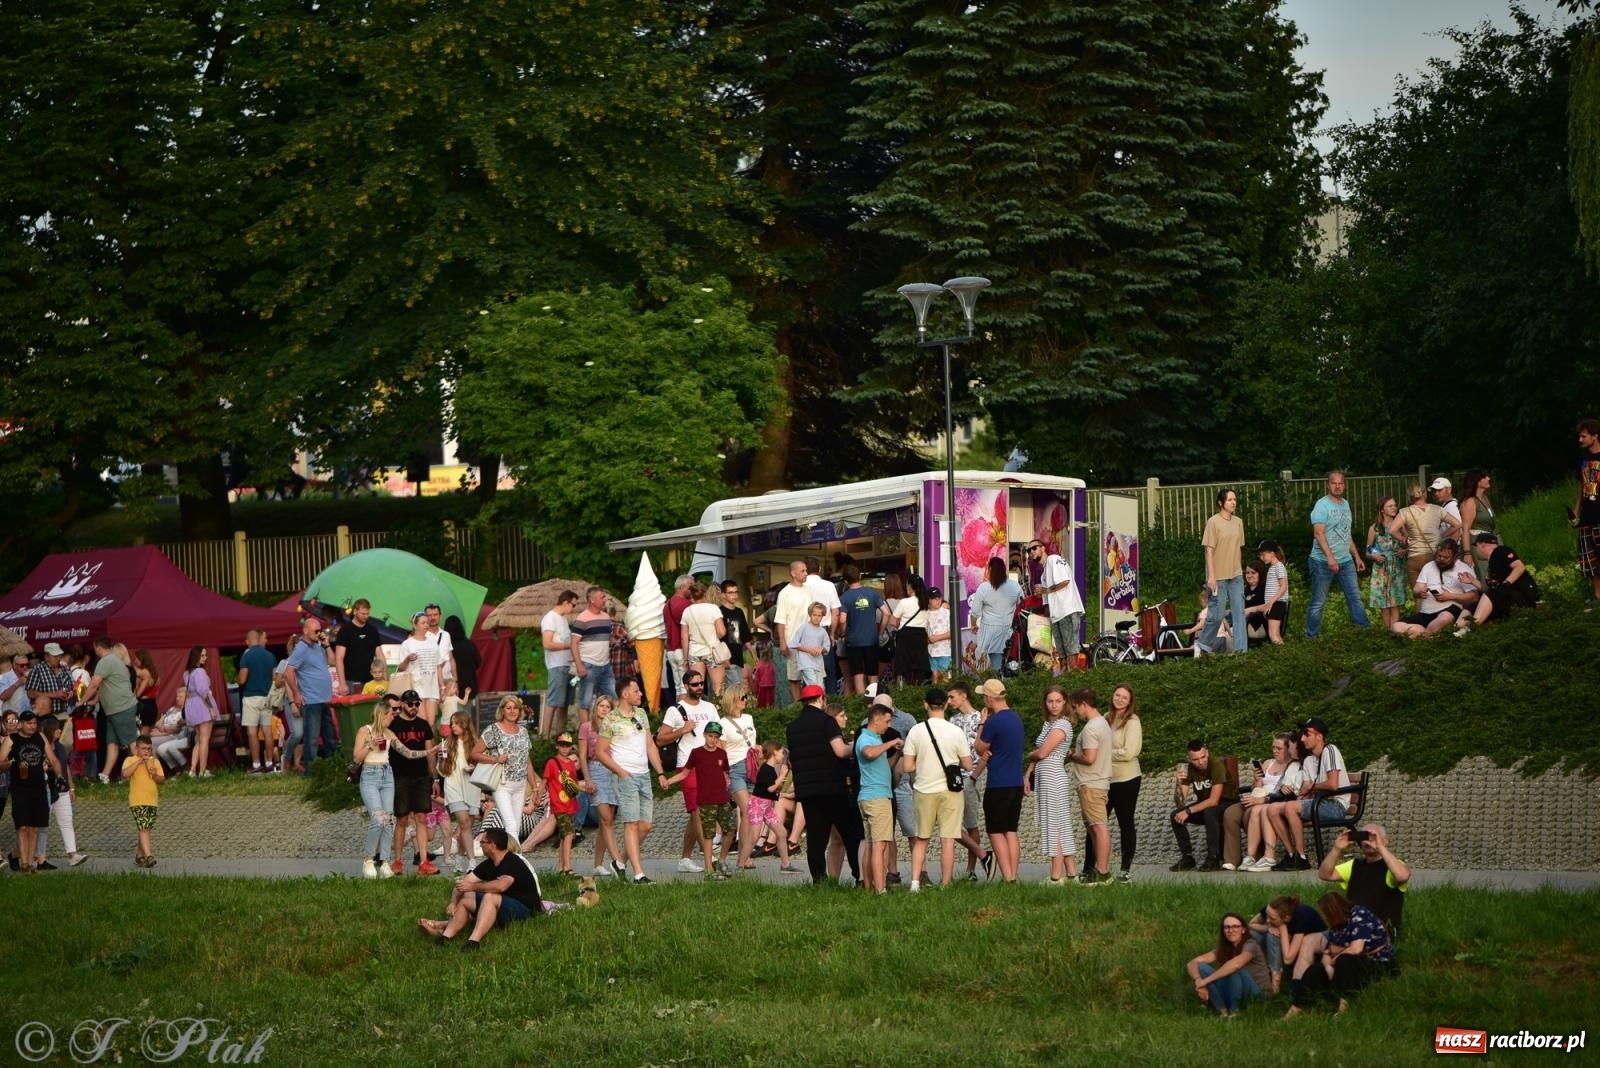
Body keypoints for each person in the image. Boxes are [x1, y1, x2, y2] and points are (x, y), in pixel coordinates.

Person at [417, 827, 543, 951]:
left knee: (490, 896)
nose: (480, 845)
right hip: (504, 906)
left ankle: (473, 941)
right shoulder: (489, 864)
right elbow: (463, 884)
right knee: (467, 896)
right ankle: (446, 937)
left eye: (482, 842)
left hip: (526, 911)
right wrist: (453, 902)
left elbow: (501, 886)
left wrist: (473, 887)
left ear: (492, 845)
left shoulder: (512, 861)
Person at [785, 683, 861, 886]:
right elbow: (840, 751)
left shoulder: (793, 728)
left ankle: (819, 881)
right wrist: (855, 746)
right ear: (821, 698)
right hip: (833, 788)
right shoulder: (827, 722)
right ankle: (860, 876)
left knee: (816, 839)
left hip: (807, 790)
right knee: (850, 834)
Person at [900, 687, 973, 891]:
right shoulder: (955, 731)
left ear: (925, 705)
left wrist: (922, 765)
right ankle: (946, 883)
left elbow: (907, 767)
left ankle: (915, 882)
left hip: (924, 790)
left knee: (921, 839)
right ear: (946, 704)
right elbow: (968, 765)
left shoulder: (916, 730)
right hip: (950, 791)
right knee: (947, 839)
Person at [595, 677, 667, 884]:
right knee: (631, 824)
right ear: (625, 694)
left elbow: (651, 746)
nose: (641, 694)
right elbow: (600, 752)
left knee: (646, 825)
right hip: (625, 778)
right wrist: (620, 771)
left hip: (644, 775)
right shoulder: (611, 719)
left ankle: (620, 862)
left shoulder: (641, 714)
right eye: (636, 691)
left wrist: (660, 772)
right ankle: (638, 874)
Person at [1285, 891, 1395, 1017]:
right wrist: (1327, 966)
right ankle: (1297, 1008)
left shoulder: (1359, 915)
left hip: (1377, 963)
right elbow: (1329, 950)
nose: (1324, 918)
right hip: (1344, 966)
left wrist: (1334, 959)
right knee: (1314, 970)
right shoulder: (1335, 926)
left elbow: (1356, 949)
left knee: (1345, 960)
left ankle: (1343, 1008)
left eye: (1325, 914)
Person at [658, 668, 718, 873]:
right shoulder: (675, 710)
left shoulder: (710, 707)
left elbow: (719, 735)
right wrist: (682, 729)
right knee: (697, 811)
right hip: (687, 764)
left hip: (709, 764)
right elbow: (660, 738)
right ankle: (710, 859)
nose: (699, 687)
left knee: (697, 813)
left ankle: (685, 859)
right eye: (695, 684)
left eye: (702, 683)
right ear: (685, 686)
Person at [1273, 717, 1351, 872]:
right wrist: (1303, 794)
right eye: (1303, 734)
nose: (1302, 738)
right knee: (1273, 809)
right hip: (1319, 802)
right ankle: (1291, 854)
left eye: (1307, 734)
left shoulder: (1330, 751)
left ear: (1319, 736)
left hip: (1336, 805)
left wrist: (1311, 788)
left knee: (1289, 807)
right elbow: (1308, 788)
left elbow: (1333, 784)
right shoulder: (1309, 760)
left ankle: (1301, 858)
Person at [1317, 822, 1410, 939]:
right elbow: (1324, 874)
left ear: (1385, 841)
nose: (1368, 841)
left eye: (1373, 837)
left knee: (1334, 949)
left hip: (1380, 931)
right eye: (1364, 837)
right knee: (1310, 941)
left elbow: (1402, 876)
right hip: (1352, 927)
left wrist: (1380, 847)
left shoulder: (1394, 866)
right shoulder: (1355, 865)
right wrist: (1337, 849)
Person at [1306, 470, 1369, 637]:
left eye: (1340, 483)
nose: (1337, 486)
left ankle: (1365, 633)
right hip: (1322, 561)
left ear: (1345, 485)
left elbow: (1345, 533)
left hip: (1346, 561)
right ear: (1328, 484)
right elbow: (1318, 533)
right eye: (1334, 483)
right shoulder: (1322, 505)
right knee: (1318, 602)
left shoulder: (1345, 504)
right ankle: (1311, 638)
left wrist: (1356, 556)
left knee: (1354, 597)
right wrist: (1330, 558)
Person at [1023, 685, 1076, 885]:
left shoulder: (1062, 725)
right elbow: (1039, 753)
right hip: (1044, 775)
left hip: (1053, 775)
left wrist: (1030, 755)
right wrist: (1028, 773)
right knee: (1058, 823)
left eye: (1057, 701)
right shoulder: (1049, 724)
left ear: (1064, 703)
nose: (1053, 705)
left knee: (1055, 825)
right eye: (1050, 701)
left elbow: (1042, 752)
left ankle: (1056, 875)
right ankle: (1071, 873)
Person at [974, 678, 1024, 882]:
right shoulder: (1016, 719)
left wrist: (981, 724)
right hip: (1016, 783)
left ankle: (1007, 876)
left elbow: (979, 748)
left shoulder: (994, 721)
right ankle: (1013, 874)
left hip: (998, 783)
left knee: (995, 831)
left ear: (989, 698)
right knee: (1011, 830)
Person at [473, 696, 536, 857]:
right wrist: (495, 759)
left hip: (520, 784)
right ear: (502, 710)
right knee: (511, 824)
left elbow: (527, 761)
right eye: (508, 708)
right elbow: (475, 753)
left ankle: (508, 860)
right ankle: (520, 860)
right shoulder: (493, 729)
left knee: (515, 823)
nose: (513, 711)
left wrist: (534, 787)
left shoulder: (523, 731)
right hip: (502, 784)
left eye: (515, 708)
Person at [1, 711, 60, 873]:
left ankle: (29, 864)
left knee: (34, 827)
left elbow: (53, 759)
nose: (32, 726)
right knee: (22, 827)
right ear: (20, 724)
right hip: (20, 788)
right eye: (29, 723)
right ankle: (24, 864)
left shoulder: (40, 737)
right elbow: (1, 763)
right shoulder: (12, 739)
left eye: (34, 723)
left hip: (39, 787)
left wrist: (60, 777)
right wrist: (13, 762)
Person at [388, 690, 439, 876]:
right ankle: (398, 861)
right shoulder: (393, 724)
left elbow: (431, 753)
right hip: (400, 776)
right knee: (401, 819)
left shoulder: (424, 724)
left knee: (421, 818)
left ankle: (424, 861)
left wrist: (434, 778)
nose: (414, 707)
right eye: (411, 704)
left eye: (417, 704)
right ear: (402, 704)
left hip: (421, 776)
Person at [1169, 739, 1238, 872]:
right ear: (1188, 758)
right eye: (1195, 759)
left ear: (1207, 753)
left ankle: (1213, 857)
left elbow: (1214, 801)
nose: (1201, 762)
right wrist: (1178, 783)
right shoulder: (1188, 769)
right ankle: (1187, 857)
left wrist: (1188, 811)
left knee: (1209, 812)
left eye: (1203, 757)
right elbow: (1180, 803)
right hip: (1207, 804)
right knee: (1175, 816)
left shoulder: (1216, 765)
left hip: (1227, 802)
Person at [946, 683, 992, 881]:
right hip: (954, 777)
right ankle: (984, 854)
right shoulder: (952, 720)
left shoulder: (979, 719)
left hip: (971, 776)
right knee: (950, 824)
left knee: (971, 823)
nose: (949, 701)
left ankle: (971, 870)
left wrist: (975, 776)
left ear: (963, 696)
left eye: (952, 697)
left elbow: (986, 751)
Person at [1185, 913, 1273, 1018]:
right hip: (1236, 991)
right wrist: (1199, 981)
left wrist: (1205, 981)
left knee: (1234, 968)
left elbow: (1236, 964)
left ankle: (1235, 1011)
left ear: (1243, 929)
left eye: (1235, 926)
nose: (1231, 930)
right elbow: (1192, 963)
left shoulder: (1251, 945)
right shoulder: (1225, 949)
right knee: (1202, 967)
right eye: (1227, 927)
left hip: (1258, 995)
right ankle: (1222, 1011)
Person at [1066, 687, 1113, 884]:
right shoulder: (1102, 723)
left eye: (1076, 707)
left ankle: (1102, 872)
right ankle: (1098, 869)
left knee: (1099, 826)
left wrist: (1071, 755)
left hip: (1092, 782)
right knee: (1094, 827)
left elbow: (1089, 757)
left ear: (1085, 705)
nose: (1075, 711)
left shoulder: (1092, 728)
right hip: (1096, 782)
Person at [1391, 539, 1480, 639]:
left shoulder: (1463, 569)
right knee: (1396, 626)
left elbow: (1474, 597)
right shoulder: (1429, 566)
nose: (1441, 559)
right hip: (1426, 612)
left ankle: (1421, 634)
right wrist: (1419, 592)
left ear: (1455, 557)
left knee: (1443, 619)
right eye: (1439, 556)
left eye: (1445, 557)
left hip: (1449, 610)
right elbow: (1416, 589)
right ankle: (1426, 634)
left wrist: (1451, 596)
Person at [354, 695, 402, 879]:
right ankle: (368, 860)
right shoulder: (365, 730)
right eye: (391, 714)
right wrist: (371, 744)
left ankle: (385, 863)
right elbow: (357, 758)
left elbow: (407, 751)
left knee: (389, 819)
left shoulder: (389, 734)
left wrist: (430, 751)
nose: (393, 717)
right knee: (378, 819)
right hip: (370, 774)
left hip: (387, 774)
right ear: (383, 715)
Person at [1236, 733, 1299, 872]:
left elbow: (1289, 791)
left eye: (1279, 748)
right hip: (1261, 798)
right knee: (1256, 809)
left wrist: (1262, 799)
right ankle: (1251, 856)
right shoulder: (1267, 763)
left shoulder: (1293, 766)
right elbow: (1256, 788)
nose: (1275, 751)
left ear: (1289, 749)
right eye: (1273, 747)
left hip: (1275, 801)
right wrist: (1257, 780)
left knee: (1261, 809)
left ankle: (1269, 856)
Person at [854, 702, 900, 894]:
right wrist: (891, 743)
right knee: (880, 845)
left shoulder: (874, 739)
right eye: (887, 721)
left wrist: (897, 753)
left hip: (871, 797)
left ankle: (869, 888)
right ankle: (880, 889)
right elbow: (869, 753)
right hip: (877, 798)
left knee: (872, 844)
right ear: (876, 719)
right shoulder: (866, 739)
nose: (888, 726)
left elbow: (884, 763)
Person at [579, 696, 625, 879]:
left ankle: (598, 864)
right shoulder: (586, 727)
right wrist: (587, 779)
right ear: (595, 708)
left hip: (613, 771)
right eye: (601, 706)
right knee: (606, 818)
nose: (604, 709)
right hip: (596, 770)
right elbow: (582, 756)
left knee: (607, 821)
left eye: (608, 706)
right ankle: (617, 861)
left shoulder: (614, 727)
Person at [81, 636, 138, 783]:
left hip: (121, 708)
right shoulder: (114, 660)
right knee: (112, 743)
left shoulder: (105, 662)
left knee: (131, 743)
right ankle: (105, 775)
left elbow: (94, 684)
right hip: (115, 710)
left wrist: (82, 701)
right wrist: (94, 700)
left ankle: (142, 773)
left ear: (98, 647)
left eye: (94, 648)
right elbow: (106, 687)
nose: (94, 651)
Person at [1198, 488, 1248, 654]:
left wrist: (1239, 569)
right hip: (1217, 576)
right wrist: (1211, 576)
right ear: (1221, 503)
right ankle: (1203, 646)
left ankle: (1241, 651)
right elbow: (1209, 550)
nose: (1233, 502)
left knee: (1239, 613)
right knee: (1217, 615)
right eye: (1229, 500)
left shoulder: (1238, 522)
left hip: (1235, 575)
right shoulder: (1213, 522)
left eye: (1235, 499)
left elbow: (1239, 548)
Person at [284, 617, 335, 775]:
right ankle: (310, 773)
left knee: (330, 737)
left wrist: (326, 645)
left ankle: (333, 768)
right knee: (312, 739)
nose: (319, 633)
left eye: (320, 630)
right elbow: (288, 671)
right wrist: (297, 694)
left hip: (324, 698)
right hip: (311, 700)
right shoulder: (301, 648)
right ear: (305, 630)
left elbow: (332, 661)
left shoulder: (318, 646)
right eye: (316, 630)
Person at [1102, 684, 1142, 883]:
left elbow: (1129, 752)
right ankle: (1094, 867)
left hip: (1127, 779)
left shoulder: (1132, 722)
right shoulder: (1105, 718)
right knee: (1098, 823)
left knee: (1125, 823)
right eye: (1117, 695)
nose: (1119, 699)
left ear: (1130, 701)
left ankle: (1125, 869)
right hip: (1105, 779)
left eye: (1124, 697)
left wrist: (1104, 755)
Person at [716, 689, 758, 872]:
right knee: (748, 810)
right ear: (733, 700)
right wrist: (724, 775)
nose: (745, 700)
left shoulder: (748, 718)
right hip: (734, 768)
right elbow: (721, 751)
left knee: (745, 815)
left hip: (752, 766)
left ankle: (744, 854)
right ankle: (743, 856)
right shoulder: (722, 723)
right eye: (742, 697)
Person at [1248, 894, 1327, 990]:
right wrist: (1269, 927)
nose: (1268, 920)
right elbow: (1251, 924)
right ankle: (1263, 969)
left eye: (1272, 918)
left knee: (1272, 936)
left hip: (1313, 949)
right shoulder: (1272, 910)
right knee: (1253, 934)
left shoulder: (1301, 917)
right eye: (1267, 915)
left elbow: (1288, 959)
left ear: (1286, 918)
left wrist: (1282, 928)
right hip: (1289, 942)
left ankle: (1275, 980)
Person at [1029, 539, 1085, 674]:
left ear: (1043, 548)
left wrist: (1046, 590)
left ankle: (1074, 679)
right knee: (1061, 652)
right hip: (1056, 615)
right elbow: (1046, 602)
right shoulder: (1043, 574)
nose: (1031, 552)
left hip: (1067, 610)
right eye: (1028, 550)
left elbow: (1065, 581)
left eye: (1034, 548)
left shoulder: (1053, 559)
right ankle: (1065, 679)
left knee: (1070, 649)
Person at [36, 717, 86, 868]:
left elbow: (66, 767)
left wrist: (71, 787)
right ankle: (38, 856)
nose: (59, 730)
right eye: (56, 728)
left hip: (62, 790)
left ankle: (72, 854)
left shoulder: (60, 746)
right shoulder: (42, 748)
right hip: (47, 789)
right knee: (42, 825)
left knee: (66, 822)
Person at [1463, 533, 1539, 628]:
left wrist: (1505, 584)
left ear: (1482, 545)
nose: (1476, 550)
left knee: (1496, 591)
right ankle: (1456, 630)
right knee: (1473, 605)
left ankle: (1472, 627)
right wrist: (1473, 581)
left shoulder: (1501, 550)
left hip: (1524, 598)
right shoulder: (1493, 562)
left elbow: (1519, 567)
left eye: (1476, 546)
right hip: (1508, 599)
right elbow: (1489, 591)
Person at [439, 709, 480, 877]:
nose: (453, 727)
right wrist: (442, 759)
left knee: (467, 826)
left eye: (456, 723)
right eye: (452, 724)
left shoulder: (476, 744)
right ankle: (472, 861)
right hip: (453, 785)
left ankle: (459, 857)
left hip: (471, 786)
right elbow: (442, 771)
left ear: (465, 724)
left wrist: (474, 768)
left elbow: (483, 766)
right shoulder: (447, 744)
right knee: (463, 822)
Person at [838, 565, 889, 696]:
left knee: (858, 674)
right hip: (871, 639)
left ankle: (861, 706)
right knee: (873, 673)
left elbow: (842, 620)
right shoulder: (872, 593)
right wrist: (881, 631)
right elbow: (886, 613)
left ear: (845, 581)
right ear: (860, 576)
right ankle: (874, 702)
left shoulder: (844, 597)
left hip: (853, 641)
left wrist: (843, 633)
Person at [747, 742, 796, 873]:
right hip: (758, 805)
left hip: (767, 806)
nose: (783, 755)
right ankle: (741, 863)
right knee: (754, 836)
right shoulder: (766, 769)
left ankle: (785, 865)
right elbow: (770, 788)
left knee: (782, 833)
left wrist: (780, 783)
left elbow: (773, 788)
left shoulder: (771, 768)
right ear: (774, 753)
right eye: (781, 752)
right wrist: (781, 777)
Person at [968, 557, 1023, 673]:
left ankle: (999, 684)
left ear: (990, 569)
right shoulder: (1015, 586)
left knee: (996, 664)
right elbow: (1022, 606)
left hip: (990, 631)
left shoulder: (984, 588)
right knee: (1009, 659)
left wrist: (973, 625)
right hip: (1010, 630)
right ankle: (1010, 680)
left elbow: (975, 612)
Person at [544, 733, 587, 877]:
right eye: (562, 745)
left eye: (567, 745)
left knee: (565, 835)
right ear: (557, 746)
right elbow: (545, 780)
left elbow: (573, 783)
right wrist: (537, 795)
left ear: (571, 747)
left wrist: (584, 787)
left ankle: (562, 868)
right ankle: (567, 868)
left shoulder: (570, 764)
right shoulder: (552, 762)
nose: (564, 748)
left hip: (571, 804)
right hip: (558, 804)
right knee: (568, 834)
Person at [235, 630, 277, 773]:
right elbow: (275, 679)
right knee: (267, 731)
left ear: (248, 641)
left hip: (251, 697)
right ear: (259, 639)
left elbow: (242, 680)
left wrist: (238, 678)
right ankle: (270, 763)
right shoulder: (270, 656)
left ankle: (256, 764)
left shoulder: (247, 656)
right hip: (267, 697)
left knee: (252, 732)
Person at [570, 588, 617, 718]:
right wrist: (579, 666)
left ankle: (614, 729)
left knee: (614, 698)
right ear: (592, 600)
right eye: (602, 597)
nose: (605, 600)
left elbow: (606, 638)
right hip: (589, 665)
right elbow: (574, 643)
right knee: (585, 702)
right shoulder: (582, 619)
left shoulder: (606, 617)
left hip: (606, 666)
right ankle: (585, 735)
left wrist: (612, 642)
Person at [1364, 496, 1409, 630]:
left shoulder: (1401, 525)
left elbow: (1410, 544)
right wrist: (1374, 556)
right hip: (1381, 568)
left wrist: (1405, 551)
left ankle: (1395, 632)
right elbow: (1368, 550)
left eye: (1395, 505)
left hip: (1396, 567)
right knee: (1384, 603)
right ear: (1382, 510)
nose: (1394, 508)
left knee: (1395, 602)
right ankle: (1387, 632)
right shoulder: (1375, 528)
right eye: (1390, 506)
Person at [772, 562, 813, 706]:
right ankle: (798, 706)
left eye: (806, 570)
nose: (806, 573)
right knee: (794, 678)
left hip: (810, 641)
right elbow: (781, 620)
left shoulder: (809, 590)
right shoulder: (785, 593)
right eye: (803, 571)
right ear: (793, 573)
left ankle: (811, 705)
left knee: (811, 676)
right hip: (793, 642)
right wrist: (783, 642)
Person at [121, 733, 165, 868]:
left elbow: (162, 780)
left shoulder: (155, 762)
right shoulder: (130, 760)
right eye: (144, 748)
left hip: (152, 800)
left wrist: (154, 774)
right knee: (144, 828)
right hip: (137, 801)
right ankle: (149, 856)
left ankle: (139, 855)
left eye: (149, 748)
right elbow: (125, 774)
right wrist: (139, 762)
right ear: (137, 748)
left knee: (145, 828)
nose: (147, 751)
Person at [540, 590, 579, 740]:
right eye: (573, 605)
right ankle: (545, 737)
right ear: (566, 602)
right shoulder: (550, 618)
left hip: (569, 667)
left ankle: (560, 736)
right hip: (557, 666)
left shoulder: (562, 619)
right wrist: (568, 646)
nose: (573, 608)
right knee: (554, 701)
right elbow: (547, 643)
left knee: (564, 703)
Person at [1398, 485, 1452, 589]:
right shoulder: (1437, 509)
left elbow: (1392, 529)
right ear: (1425, 495)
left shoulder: (1405, 511)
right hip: (1435, 555)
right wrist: (1441, 536)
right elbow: (1457, 524)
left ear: (1409, 497)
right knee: (1437, 590)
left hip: (1415, 556)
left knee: (1419, 594)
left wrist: (1403, 538)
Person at [398, 611, 446, 728]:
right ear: (415, 625)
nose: (426, 625)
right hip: (416, 687)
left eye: (427, 623)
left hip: (431, 687)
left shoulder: (433, 643)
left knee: (431, 723)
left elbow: (438, 665)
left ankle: (431, 746)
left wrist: (442, 686)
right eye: (423, 622)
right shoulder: (407, 644)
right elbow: (400, 669)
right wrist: (408, 659)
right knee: (422, 722)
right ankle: (423, 746)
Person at [181, 647, 220, 778]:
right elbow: (204, 692)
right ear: (196, 657)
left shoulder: (187, 673)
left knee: (199, 740)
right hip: (202, 706)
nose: (205, 658)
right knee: (204, 739)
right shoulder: (200, 672)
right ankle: (203, 771)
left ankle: (192, 770)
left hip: (192, 705)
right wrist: (211, 708)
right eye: (202, 655)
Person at [333, 598, 383, 696]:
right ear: (355, 611)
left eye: (367, 614)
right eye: (363, 614)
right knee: (357, 711)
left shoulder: (372, 630)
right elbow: (339, 658)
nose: (366, 616)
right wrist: (342, 683)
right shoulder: (345, 631)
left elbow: (380, 655)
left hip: (371, 680)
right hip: (352, 682)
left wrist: (384, 678)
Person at [1575, 418, 1600, 604]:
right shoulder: (1583, 459)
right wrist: (1576, 510)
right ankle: (1597, 595)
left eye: (1584, 436)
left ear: (1595, 436)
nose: (1580, 440)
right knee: (1590, 558)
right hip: (1587, 515)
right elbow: (1582, 485)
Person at [1458, 469, 1497, 582]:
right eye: (1485, 477)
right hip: (1477, 544)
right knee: (1483, 576)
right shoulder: (1470, 502)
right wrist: (1467, 553)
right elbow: (1465, 529)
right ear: (1477, 481)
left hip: (1489, 542)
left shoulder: (1485, 499)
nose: (1489, 479)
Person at [26, 642, 75, 727]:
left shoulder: (64, 669)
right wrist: (55, 695)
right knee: (48, 739)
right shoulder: (37, 670)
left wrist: (69, 693)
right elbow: (30, 693)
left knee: (67, 739)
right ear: (46, 657)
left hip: (63, 713)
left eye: (60, 656)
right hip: (45, 716)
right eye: (55, 656)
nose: (59, 658)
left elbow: (71, 687)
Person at [718, 580, 754, 695]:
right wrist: (724, 657)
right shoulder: (719, 612)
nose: (734, 595)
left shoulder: (739, 611)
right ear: (723, 594)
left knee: (739, 687)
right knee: (734, 687)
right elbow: (717, 638)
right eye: (730, 592)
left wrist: (752, 652)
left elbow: (744, 634)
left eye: (736, 592)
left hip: (738, 655)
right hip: (726, 656)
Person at [663, 574, 694, 699]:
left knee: (678, 687)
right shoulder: (686, 605)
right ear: (682, 587)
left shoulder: (667, 604)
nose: (693, 589)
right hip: (682, 649)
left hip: (671, 650)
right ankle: (685, 714)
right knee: (686, 686)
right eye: (690, 586)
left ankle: (678, 711)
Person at [1254, 540, 1290, 645]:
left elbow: (1283, 587)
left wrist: (1271, 602)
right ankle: (1280, 655)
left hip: (1277, 604)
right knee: (1273, 634)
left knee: (1274, 635)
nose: (1261, 558)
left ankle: (1283, 656)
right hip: (1273, 604)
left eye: (1263, 554)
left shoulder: (1279, 566)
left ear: (1272, 553)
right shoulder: (1272, 568)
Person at [443, 615, 480, 713]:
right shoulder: (470, 644)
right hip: (470, 684)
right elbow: (478, 662)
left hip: (452, 686)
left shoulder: (447, 646)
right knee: (468, 716)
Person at [791, 603, 832, 688]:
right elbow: (793, 643)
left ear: (823, 616)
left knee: (820, 686)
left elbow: (827, 647)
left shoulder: (822, 631)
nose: (817, 617)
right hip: (805, 662)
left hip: (818, 663)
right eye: (814, 615)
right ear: (810, 614)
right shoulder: (803, 627)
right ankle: (815, 700)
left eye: (819, 615)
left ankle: (818, 701)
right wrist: (809, 650)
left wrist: (821, 648)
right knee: (813, 683)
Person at [925, 586, 953, 682]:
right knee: (935, 679)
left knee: (945, 679)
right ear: (928, 600)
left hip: (945, 651)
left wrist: (936, 638)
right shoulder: (925, 614)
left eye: (939, 598)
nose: (937, 600)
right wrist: (927, 640)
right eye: (934, 598)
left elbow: (953, 632)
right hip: (930, 652)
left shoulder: (947, 613)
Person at [1240, 561, 1269, 646]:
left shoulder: (1264, 590)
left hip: (1257, 625)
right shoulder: (1245, 591)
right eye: (1247, 573)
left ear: (1260, 574)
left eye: (1253, 573)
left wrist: (1249, 610)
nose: (1249, 575)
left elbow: (1267, 606)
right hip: (1243, 623)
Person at [1430, 476, 1464, 545]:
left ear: (1449, 489)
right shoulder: (1448, 505)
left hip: (1454, 548)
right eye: (1434, 490)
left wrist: (1450, 551)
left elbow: (1457, 531)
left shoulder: (1451, 506)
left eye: (1439, 490)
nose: (1436, 493)